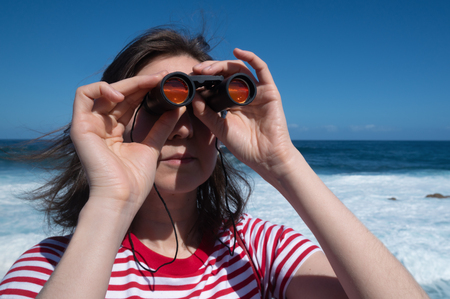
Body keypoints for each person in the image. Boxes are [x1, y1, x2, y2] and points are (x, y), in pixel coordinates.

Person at [0, 26, 428, 299]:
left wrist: (283, 163)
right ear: (114, 122)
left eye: (202, 107)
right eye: (160, 106)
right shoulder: (53, 267)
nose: (183, 127)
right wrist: (112, 201)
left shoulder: (259, 251)